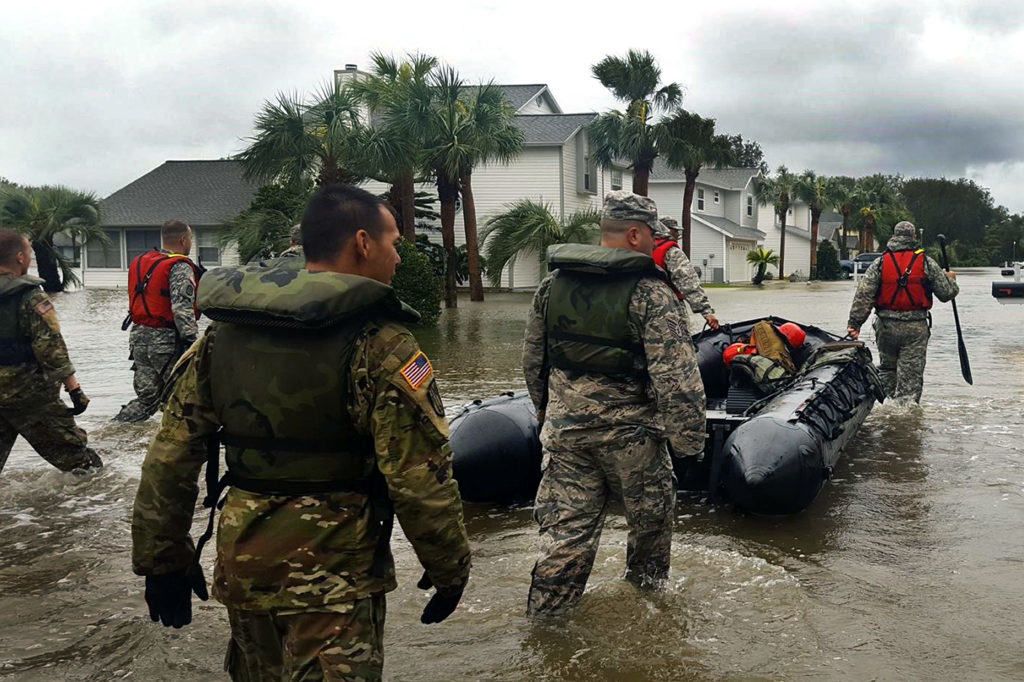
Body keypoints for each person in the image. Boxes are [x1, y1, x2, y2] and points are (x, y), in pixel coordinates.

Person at [131, 184, 471, 680]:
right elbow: (419, 479)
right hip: (335, 578)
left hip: (245, 564)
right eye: (394, 242)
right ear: (362, 243)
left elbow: (171, 453)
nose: (398, 257)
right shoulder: (382, 346)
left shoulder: (223, 336)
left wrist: (161, 559)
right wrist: (449, 568)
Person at [522, 191, 706, 617]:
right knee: (649, 536)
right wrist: (690, 445)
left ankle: (546, 629)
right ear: (637, 234)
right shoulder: (650, 294)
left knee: (564, 540)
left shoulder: (553, 285)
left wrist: (546, 415)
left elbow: (534, 360)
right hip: (633, 443)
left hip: (567, 439)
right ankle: (649, 621)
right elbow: (678, 382)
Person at [0, 229, 100, 475]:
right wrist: (74, 389)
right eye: (29, 252)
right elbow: (50, 347)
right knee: (83, 465)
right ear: (20, 258)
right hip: (28, 394)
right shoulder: (30, 296)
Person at [847, 220, 959, 403]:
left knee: (887, 370)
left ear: (894, 236)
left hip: (886, 328)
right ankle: (905, 422)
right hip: (915, 330)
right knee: (910, 381)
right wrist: (952, 280)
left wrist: (854, 324)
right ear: (913, 237)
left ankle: (886, 414)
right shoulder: (926, 262)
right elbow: (946, 294)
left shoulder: (880, 262)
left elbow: (863, 295)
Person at [114, 220, 201, 422]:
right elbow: (182, 308)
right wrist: (192, 343)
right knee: (181, 397)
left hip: (138, 338)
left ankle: (115, 431)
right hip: (166, 343)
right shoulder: (179, 266)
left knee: (147, 400)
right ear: (183, 240)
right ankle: (178, 446)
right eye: (190, 239)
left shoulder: (142, 261)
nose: (190, 243)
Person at [652, 216, 720, 330]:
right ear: (667, 230)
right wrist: (706, 311)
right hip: (668, 309)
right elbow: (688, 282)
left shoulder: (643, 248)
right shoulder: (672, 252)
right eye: (675, 230)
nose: (678, 234)